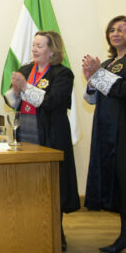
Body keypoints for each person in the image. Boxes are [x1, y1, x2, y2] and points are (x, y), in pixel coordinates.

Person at [5, 30, 80, 251]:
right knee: (28, 181)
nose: (34, 49)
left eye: (39, 46)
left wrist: (26, 87)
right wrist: (15, 90)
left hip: (50, 133)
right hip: (26, 128)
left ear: (52, 50)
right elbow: (12, 100)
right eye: (33, 45)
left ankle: (57, 231)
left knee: (51, 183)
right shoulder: (26, 69)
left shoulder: (62, 74)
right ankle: (31, 228)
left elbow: (53, 102)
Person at [83, 15, 126, 253]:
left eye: (122, 29)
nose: (116, 33)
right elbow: (91, 99)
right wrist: (91, 80)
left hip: (123, 130)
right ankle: (123, 236)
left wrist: (99, 74)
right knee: (117, 185)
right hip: (106, 131)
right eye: (112, 29)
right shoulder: (108, 63)